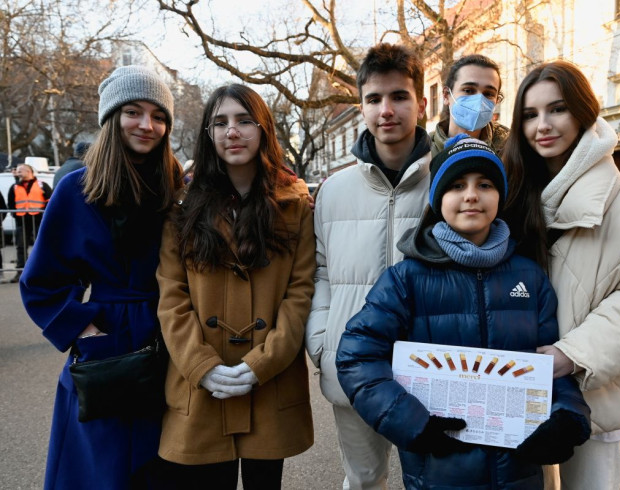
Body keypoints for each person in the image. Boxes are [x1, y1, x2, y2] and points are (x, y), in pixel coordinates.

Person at [336, 135, 591, 489]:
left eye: (484, 184)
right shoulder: (405, 279)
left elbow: (552, 364)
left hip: (518, 470)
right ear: (437, 199)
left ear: (500, 196)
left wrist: (568, 416)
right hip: (438, 470)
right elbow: (356, 357)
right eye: (457, 185)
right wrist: (410, 421)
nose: (471, 195)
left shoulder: (530, 277)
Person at [502, 60, 620, 489]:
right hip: (516, 385)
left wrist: (572, 356)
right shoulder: (508, 195)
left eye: (558, 109)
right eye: (530, 114)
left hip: (593, 391)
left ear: (584, 111)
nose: (543, 125)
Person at [19, 65, 182, 489]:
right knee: (100, 467)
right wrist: (85, 330)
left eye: (158, 115)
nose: (147, 125)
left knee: (164, 463)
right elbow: (41, 282)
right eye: (134, 111)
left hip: (172, 336)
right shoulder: (77, 189)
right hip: (106, 343)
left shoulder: (175, 185)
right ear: (112, 117)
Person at [154, 84, 315, 489]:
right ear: (209, 134)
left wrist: (263, 363)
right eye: (221, 122)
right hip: (202, 387)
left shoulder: (295, 205)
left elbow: (300, 293)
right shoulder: (182, 207)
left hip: (270, 382)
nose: (233, 132)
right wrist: (201, 366)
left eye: (245, 121)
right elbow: (172, 296)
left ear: (263, 130)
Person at [305, 43, 430, 489]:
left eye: (399, 96)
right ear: (361, 107)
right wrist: (322, 341)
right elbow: (319, 272)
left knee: (436, 479)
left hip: (431, 366)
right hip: (353, 366)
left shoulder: (451, 182)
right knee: (363, 480)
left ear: (422, 102)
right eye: (374, 99)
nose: (386, 110)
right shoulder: (334, 190)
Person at [429, 54, 509, 157]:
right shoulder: (423, 151)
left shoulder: (511, 149)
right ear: (446, 95)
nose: (479, 100)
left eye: (488, 94)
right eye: (468, 90)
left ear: (497, 100)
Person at [7, 163, 53, 282]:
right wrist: (15, 215)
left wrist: (45, 215)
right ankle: (21, 272)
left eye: (20, 170)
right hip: (21, 221)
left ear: (29, 171)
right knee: (21, 247)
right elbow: (11, 203)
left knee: (42, 246)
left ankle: (44, 271)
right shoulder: (14, 187)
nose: (18, 173)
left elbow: (51, 200)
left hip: (39, 220)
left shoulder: (42, 185)